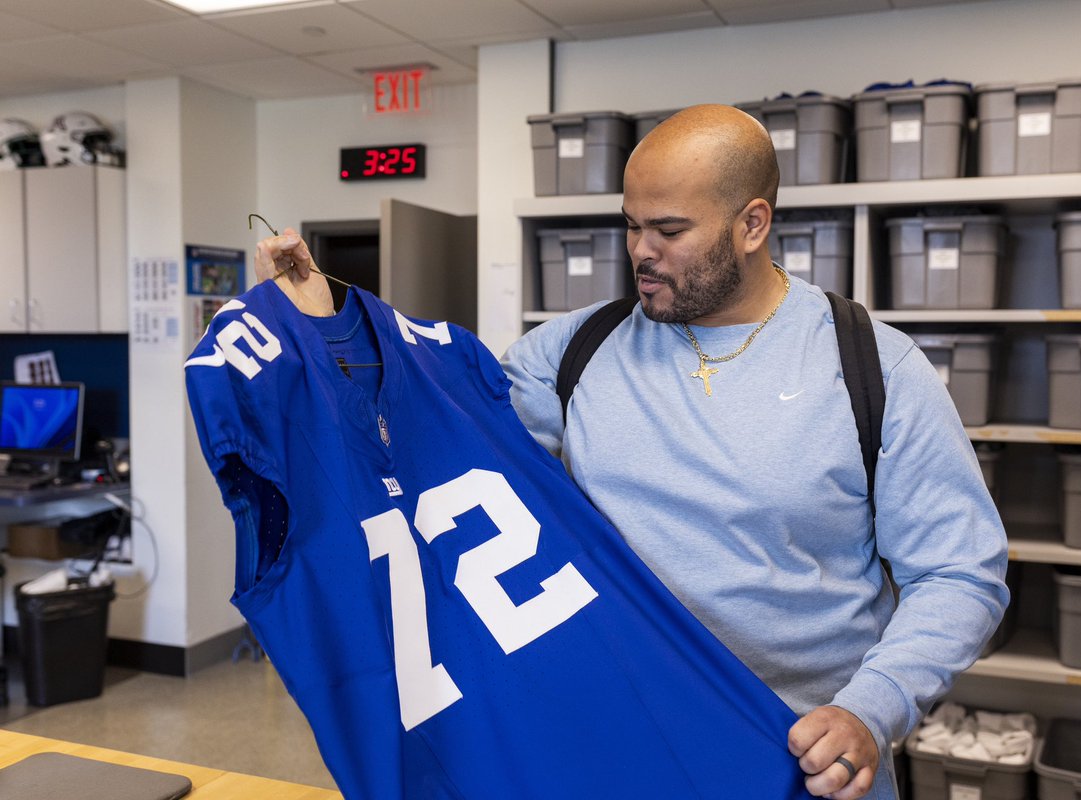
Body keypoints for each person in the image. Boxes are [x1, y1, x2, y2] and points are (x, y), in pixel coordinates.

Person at [255, 104, 1008, 800]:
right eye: (629, 225)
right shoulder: (570, 353)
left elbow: (959, 571)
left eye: (670, 231)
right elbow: (431, 440)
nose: (640, 253)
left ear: (753, 224)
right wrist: (329, 332)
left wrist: (870, 710)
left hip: (800, 759)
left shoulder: (873, 366)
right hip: (616, 749)